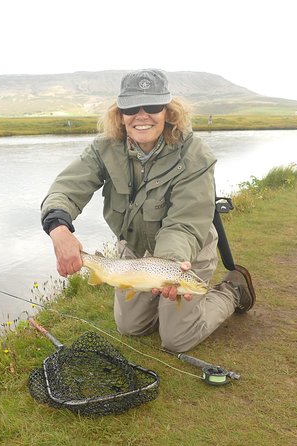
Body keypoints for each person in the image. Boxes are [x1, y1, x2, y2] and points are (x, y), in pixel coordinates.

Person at [40, 69, 255, 353]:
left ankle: (232, 289)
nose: (142, 115)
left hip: (185, 255)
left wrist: (170, 266)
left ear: (168, 111)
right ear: (120, 114)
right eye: (132, 108)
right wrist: (59, 228)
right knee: (131, 328)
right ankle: (159, 302)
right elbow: (66, 189)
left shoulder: (195, 155)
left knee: (176, 340)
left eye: (152, 106)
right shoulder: (103, 148)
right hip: (137, 252)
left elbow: (184, 224)